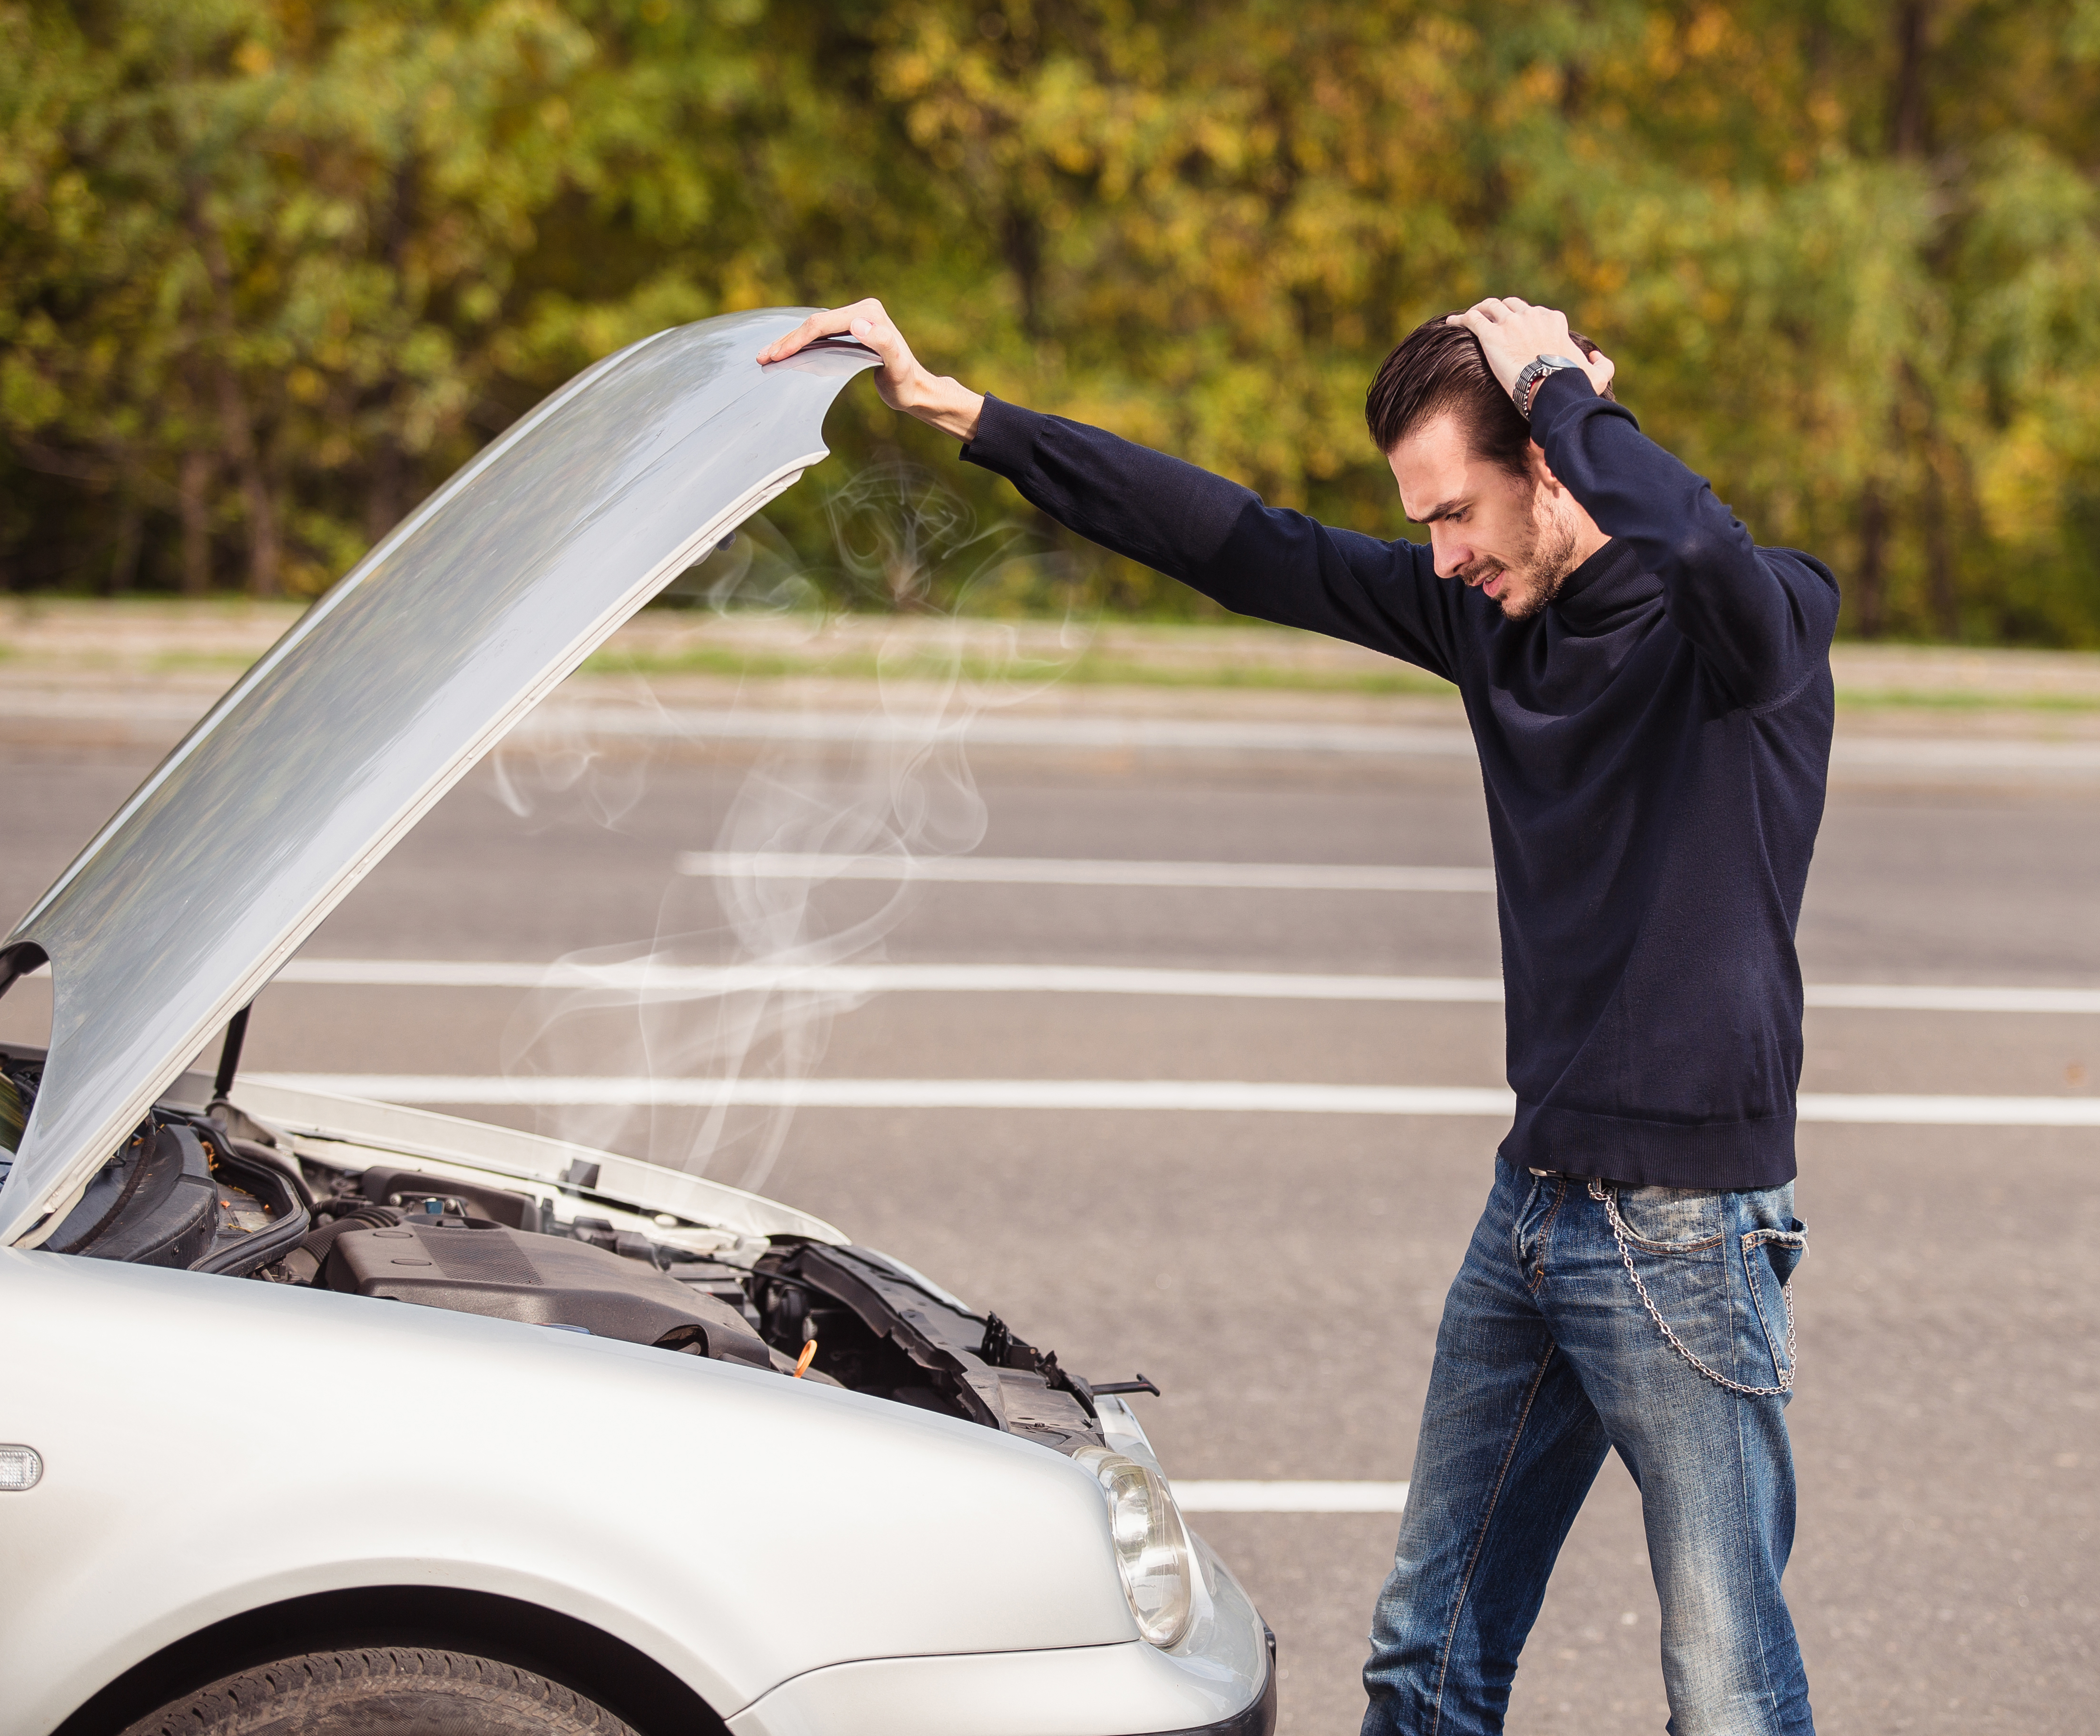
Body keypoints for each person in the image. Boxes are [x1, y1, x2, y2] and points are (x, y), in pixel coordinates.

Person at [760, 295, 1835, 1736]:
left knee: (1728, 1692)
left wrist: (1559, 390)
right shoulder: (1495, 627)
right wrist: (969, 416)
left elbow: (1698, 546)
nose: (1444, 557)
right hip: (1535, 1209)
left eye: (1460, 512)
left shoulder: (1756, 631)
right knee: (1425, 1655)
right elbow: (1238, 543)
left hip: (1687, 1230)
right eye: (1426, 524)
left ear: (1557, 464)